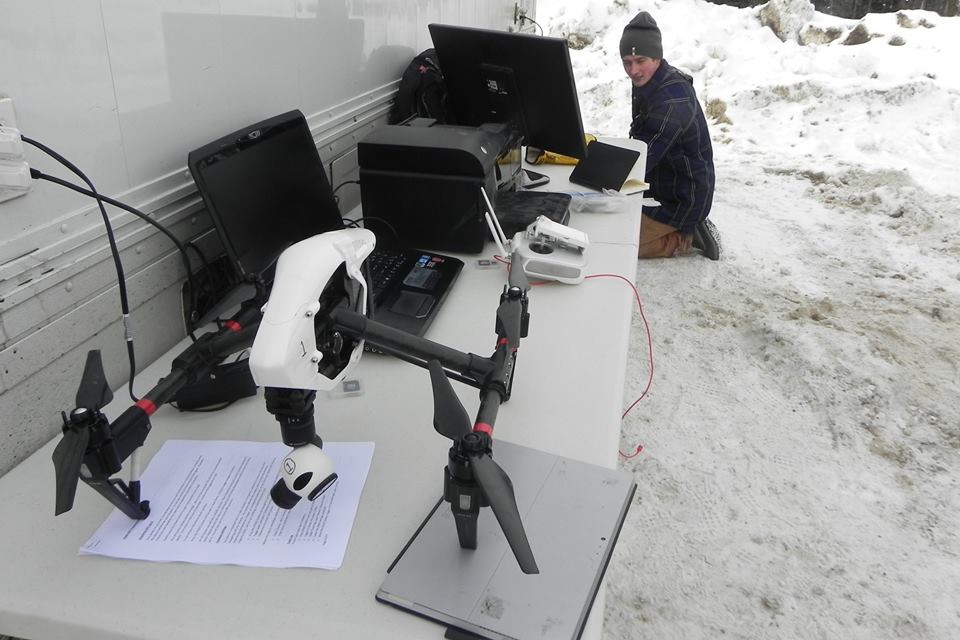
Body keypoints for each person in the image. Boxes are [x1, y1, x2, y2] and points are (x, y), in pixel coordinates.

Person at [620, 11, 720, 260]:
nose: (633, 70)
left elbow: (642, 159)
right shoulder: (651, 80)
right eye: (627, 62)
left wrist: (602, 179)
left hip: (681, 198)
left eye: (640, 60)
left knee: (617, 243)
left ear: (657, 57)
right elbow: (642, 141)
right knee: (607, 222)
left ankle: (686, 235)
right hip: (661, 181)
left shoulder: (672, 100)